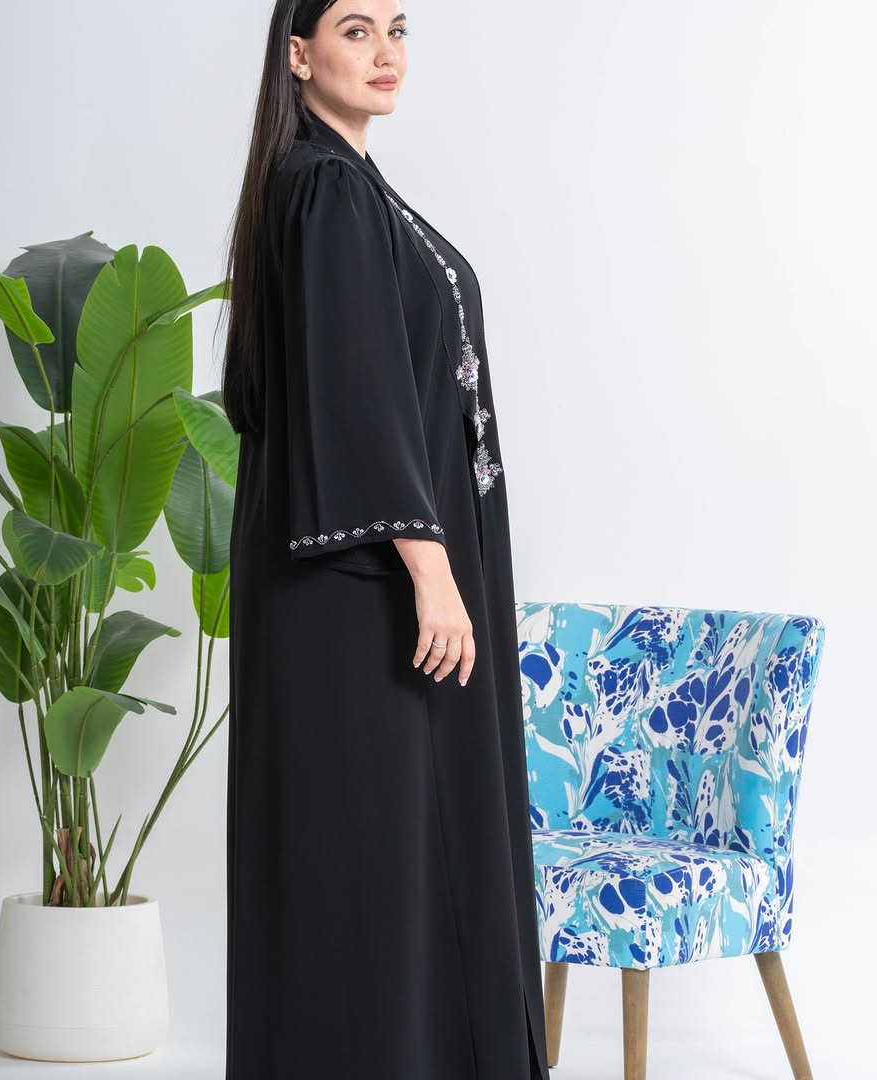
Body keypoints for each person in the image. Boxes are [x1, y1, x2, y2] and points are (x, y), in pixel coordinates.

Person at [219, 2, 549, 1077]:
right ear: (299, 54)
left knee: (399, 867)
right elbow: (359, 392)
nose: (386, 53)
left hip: (386, 585)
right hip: (368, 595)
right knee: (371, 871)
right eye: (356, 30)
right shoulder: (324, 190)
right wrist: (431, 568)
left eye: (399, 29)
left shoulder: (350, 189)